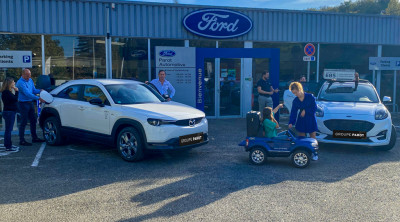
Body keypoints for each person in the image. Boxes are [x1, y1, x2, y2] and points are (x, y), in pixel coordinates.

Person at [16, 69, 46, 146]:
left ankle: (34, 138)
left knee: (33, 121)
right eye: (27, 75)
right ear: (23, 75)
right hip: (23, 104)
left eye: (29, 75)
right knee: (24, 122)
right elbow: (27, 94)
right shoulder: (20, 83)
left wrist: (40, 91)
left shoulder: (30, 80)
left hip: (30, 103)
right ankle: (22, 140)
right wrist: (38, 98)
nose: (29, 77)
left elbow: (33, 90)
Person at [1, 77, 20, 152]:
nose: (14, 83)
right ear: (9, 83)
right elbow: (15, 99)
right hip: (9, 112)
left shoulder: (7, 92)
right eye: (13, 82)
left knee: (8, 129)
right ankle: (8, 146)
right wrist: (17, 91)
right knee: (8, 130)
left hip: (9, 112)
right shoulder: (6, 92)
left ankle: (9, 144)